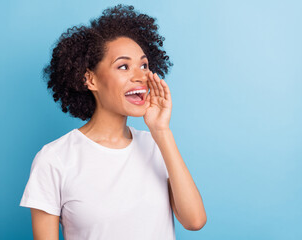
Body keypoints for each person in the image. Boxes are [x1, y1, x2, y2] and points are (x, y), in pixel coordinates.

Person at [19, 4, 206, 240]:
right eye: (123, 66)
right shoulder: (54, 159)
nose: (140, 76)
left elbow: (195, 221)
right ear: (91, 79)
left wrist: (162, 130)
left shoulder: (156, 145)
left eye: (144, 65)